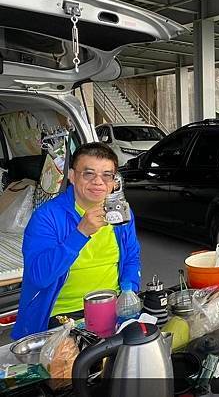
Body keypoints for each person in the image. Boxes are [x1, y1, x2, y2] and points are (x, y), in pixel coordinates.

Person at [12, 142, 141, 339]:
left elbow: (132, 256)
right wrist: (80, 233)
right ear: (72, 176)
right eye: (89, 174)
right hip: (65, 316)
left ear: (114, 182)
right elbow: (39, 277)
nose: (99, 182)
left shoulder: (121, 213)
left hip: (114, 308)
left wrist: (129, 289)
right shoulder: (47, 216)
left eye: (107, 175)